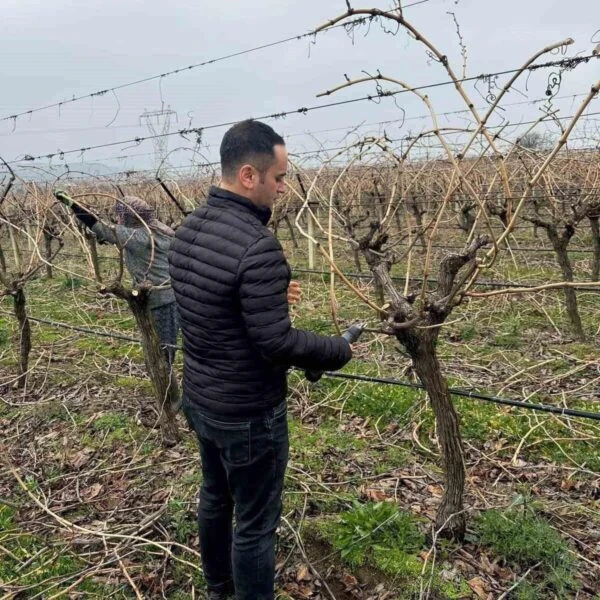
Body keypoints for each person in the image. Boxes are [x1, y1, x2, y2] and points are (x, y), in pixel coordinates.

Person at [168, 120, 352, 600]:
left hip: (203, 399)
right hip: (248, 413)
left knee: (215, 495)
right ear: (249, 176)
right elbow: (276, 343)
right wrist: (338, 349)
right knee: (253, 524)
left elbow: (210, 304)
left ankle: (218, 589)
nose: (285, 187)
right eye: (280, 177)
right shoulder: (256, 244)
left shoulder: (188, 231)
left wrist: (267, 294)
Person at [53, 191, 179, 370]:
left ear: (132, 217)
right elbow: (114, 234)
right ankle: (164, 377)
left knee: (160, 348)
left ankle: (165, 384)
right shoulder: (161, 229)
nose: (118, 220)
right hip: (170, 294)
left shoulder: (140, 237)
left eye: (121, 216)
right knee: (166, 343)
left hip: (158, 299)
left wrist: (73, 205)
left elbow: (100, 226)